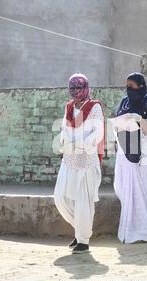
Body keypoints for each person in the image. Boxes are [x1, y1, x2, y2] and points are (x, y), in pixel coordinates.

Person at [54, 73, 105, 254]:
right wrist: (64, 143)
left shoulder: (94, 107)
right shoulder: (69, 107)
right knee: (61, 197)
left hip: (86, 160)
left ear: (86, 88)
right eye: (72, 88)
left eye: (79, 87)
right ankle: (79, 229)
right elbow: (64, 129)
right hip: (69, 158)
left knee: (83, 200)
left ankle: (83, 240)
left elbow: (97, 134)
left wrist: (79, 145)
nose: (75, 91)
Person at [113, 72, 147, 244]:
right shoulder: (125, 102)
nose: (128, 90)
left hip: (144, 156)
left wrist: (139, 120)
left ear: (141, 86)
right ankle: (130, 229)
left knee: (144, 193)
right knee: (123, 187)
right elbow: (118, 122)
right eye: (126, 86)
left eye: (132, 86)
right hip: (125, 152)